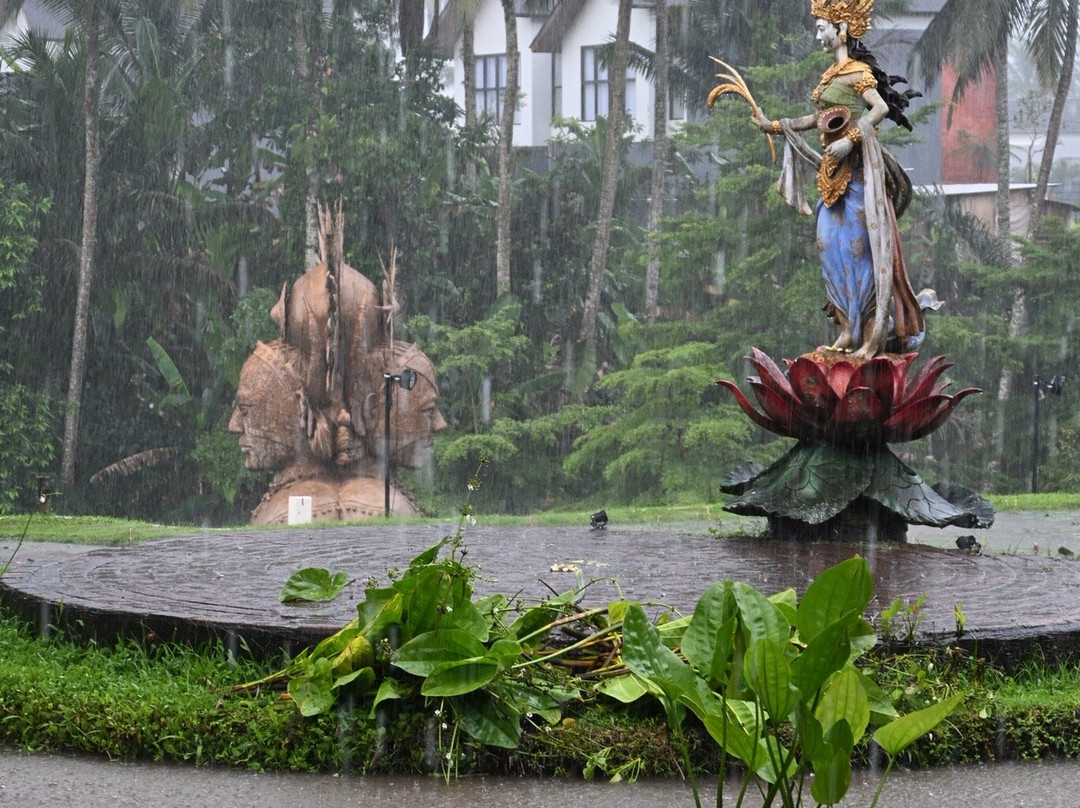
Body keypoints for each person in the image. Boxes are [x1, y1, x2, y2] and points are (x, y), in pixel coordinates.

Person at [751, 0, 924, 359]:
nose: (817, 35)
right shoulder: (830, 75)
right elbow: (818, 119)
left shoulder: (858, 72)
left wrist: (851, 139)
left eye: (821, 27)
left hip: (859, 175)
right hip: (832, 180)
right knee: (828, 246)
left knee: (862, 250)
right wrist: (776, 126)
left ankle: (871, 331)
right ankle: (846, 327)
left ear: (841, 29)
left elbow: (879, 108)